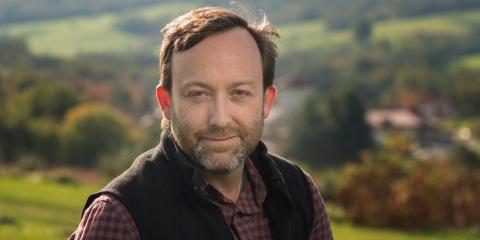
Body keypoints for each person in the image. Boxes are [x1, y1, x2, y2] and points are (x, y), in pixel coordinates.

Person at [70, 6, 333, 240]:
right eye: (198, 94)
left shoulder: (299, 191)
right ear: (166, 103)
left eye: (239, 93)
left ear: (266, 102)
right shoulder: (121, 216)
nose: (219, 119)